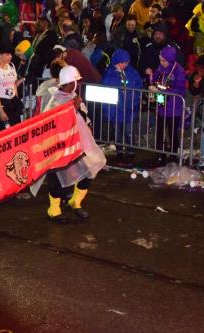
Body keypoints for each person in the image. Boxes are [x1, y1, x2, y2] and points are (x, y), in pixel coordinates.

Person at [43, 65, 106, 220]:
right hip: (60, 148)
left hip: (79, 144)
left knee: (89, 171)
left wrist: (86, 121)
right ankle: (54, 209)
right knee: (57, 178)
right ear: (70, 82)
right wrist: (73, 109)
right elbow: (54, 123)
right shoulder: (54, 101)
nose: (78, 84)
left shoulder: (74, 97)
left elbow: (84, 117)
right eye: (76, 81)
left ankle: (75, 202)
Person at [101, 49, 143, 165]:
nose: (124, 65)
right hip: (116, 109)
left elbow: (139, 85)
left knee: (129, 131)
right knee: (117, 131)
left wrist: (135, 99)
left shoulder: (131, 72)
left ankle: (131, 152)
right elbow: (106, 87)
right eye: (122, 62)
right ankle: (119, 151)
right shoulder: (110, 73)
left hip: (128, 108)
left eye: (126, 62)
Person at [148, 46, 186, 165]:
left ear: (170, 59)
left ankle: (174, 156)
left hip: (174, 108)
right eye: (160, 60)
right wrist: (151, 82)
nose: (161, 63)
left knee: (172, 133)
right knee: (160, 132)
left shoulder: (178, 71)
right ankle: (161, 155)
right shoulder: (160, 68)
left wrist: (162, 92)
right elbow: (156, 80)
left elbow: (180, 90)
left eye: (164, 60)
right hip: (161, 106)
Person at [188, 54, 204, 170]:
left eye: (201, 68)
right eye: (198, 67)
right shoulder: (198, 75)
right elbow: (193, 91)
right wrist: (196, 84)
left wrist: (202, 96)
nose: (198, 70)